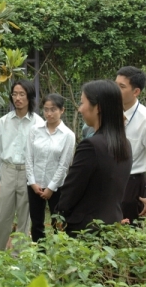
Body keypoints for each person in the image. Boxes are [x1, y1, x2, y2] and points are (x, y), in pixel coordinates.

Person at [56, 80, 132, 237]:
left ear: (98, 108)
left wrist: (60, 214)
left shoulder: (91, 145)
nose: (80, 108)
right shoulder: (125, 144)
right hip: (112, 224)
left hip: (86, 228)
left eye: (83, 103)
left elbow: (72, 189)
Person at [0, 80, 44, 251]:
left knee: (24, 218)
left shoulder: (39, 123)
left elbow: (41, 154)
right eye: (15, 94)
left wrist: (38, 180)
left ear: (29, 97)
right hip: (7, 171)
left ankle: (20, 259)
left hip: (28, 174)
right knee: (1, 218)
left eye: (22, 94)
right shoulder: (3, 121)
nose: (18, 98)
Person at [114, 66, 146, 224]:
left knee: (129, 238)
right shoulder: (108, 113)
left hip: (132, 186)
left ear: (136, 92)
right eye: (115, 85)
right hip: (108, 183)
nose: (115, 90)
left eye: (121, 87)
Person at [25, 94, 75, 243]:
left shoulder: (68, 135)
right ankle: (39, 254)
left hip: (57, 187)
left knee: (58, 223)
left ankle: (57, 255)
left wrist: (51, 188)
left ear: (62, 110)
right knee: (37, 223)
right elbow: (28, 158)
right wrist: (33, 183)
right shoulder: (34, 130)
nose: (49, 113)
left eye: (53, 110)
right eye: (46, 110)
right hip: (35, 185)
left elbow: (64, 165)